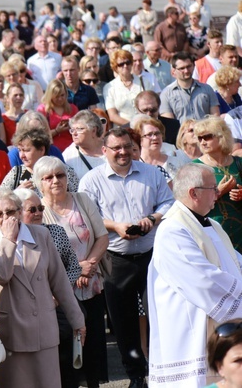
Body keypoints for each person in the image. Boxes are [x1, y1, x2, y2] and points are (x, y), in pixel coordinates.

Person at [79, 128, 174, 387]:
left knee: (160, 315)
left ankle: (163, 370)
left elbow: (168, 203)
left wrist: (152, 219)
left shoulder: (152, 173)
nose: (123, 152)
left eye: (126, 146)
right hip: (115, 258)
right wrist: (116, 226)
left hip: (152, 256)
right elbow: (89, 217)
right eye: (116, 148)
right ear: (104, 151)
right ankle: (135, 375)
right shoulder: (91, 180)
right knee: (123, 322)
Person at [0, 189, 86, 388]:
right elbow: (2, 274)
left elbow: (59, 280)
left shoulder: (41, 234)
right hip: (11, 332)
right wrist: (8, 241)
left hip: (44, 328)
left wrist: (77, 320)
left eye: (10, 212)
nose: (5, 218)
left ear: (19, 212)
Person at [145, 163, 242, 388]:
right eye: (213, 188)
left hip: (213, 325)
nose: (218, 193)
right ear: (194, 193)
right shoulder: (173, 230)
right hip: (190, 328)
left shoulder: (213, 225)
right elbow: (203, 279)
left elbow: (235, 261)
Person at [33, 157, 110, 387]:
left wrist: (88, 266)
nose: (56, 180)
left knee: (94, 341)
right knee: (68, 347)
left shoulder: (82, 199)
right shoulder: (38, 210)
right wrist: (77, 269)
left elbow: (102, 236)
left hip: (91, 283)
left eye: (60, 175)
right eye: (49, 177)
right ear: (40, 183)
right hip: (61, 290)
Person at [192, 117, 242, 250]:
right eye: (199, 138)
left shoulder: (238, 163)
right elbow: (191, 205)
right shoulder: (195, 167)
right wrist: (218, 192)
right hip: (213, 232)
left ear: (222, 136)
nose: (202, 142)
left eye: (207, 137)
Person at [1, 127, 80, 196]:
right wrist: (16, 193)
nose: (22, 155)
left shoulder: (64, 171)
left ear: (42, 150)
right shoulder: (16, 173)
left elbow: (78, 198)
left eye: (27, 150)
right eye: (19, 150)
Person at [160, 53, 220, 122]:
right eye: (182, 68)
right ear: (173, 72)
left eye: (188, 66)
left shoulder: (207, 89)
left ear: (194, 66)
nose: (186, 71)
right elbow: (169, 123)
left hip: (205, 131)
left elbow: (215, 118)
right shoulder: (166, 94)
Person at [39, 79, 79, 152]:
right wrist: (57, 131)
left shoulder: (72, 108)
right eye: (56, 96)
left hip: (72, 149)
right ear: (50, 96)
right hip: (52, 150)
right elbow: (40, 136)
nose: (60, 99)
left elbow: (80, 129)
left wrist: (72, 127)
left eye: (62, 95)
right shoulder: (43, 110)